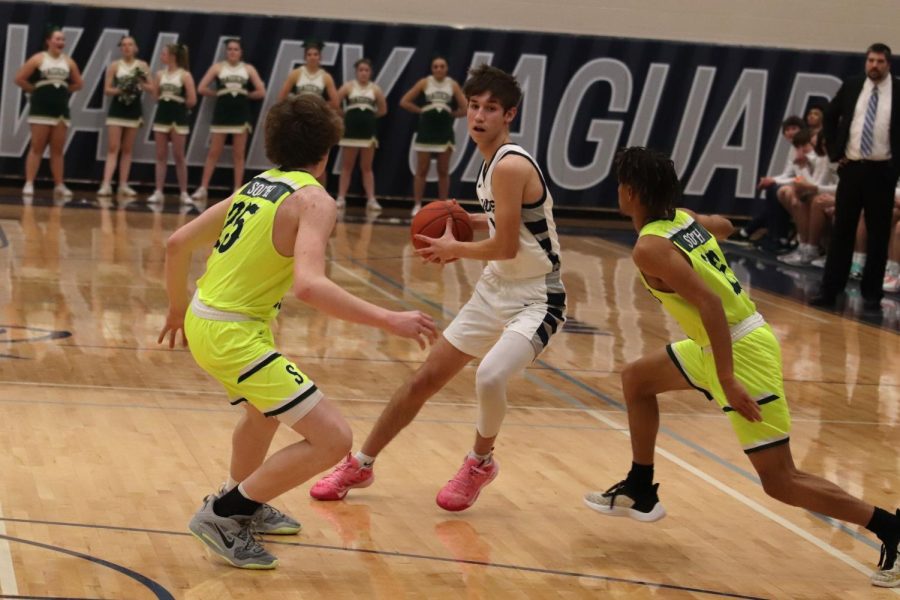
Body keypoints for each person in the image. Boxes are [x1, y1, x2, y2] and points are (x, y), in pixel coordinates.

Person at [582, 146, 899, 589]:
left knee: (780, 480)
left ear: (631, 192)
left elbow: (709, 303)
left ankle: (889, 526)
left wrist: (726, 379)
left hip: (739, 350)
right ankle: (641, 486)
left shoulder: (650, 247)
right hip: (713, 344)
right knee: (637, 378)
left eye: (620, 184)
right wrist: (703, 234)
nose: (618, 190)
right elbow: (724, 225)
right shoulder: (683, 220)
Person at [157, 94, 437, 569]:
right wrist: (390, 319)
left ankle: (241, 498)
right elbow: (309, 285)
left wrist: (177, 310)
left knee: (261, 415)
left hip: (208, 319)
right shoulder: (313, 200)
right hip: (232, 333)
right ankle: (225, 515)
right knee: (334, 439)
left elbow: (177, 242)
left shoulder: (259, 184)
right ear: (329, 151)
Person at [311, 64, 566, 512]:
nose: (479, 116)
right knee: (424, 379)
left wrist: (455, 249)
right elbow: (513, 224)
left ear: (510, 114)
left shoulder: (508, 165)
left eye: (490, 109)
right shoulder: (491, 166)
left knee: (490, 375)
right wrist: (468, 222)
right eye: (473, 107)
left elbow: (507, 246)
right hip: (495, 289)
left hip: (536, 296)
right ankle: (362, 463)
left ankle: (480, 462)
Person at [810, 43, 900, 311]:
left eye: (880, 62)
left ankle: (872, 295)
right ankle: (830, 290)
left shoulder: (897, 89)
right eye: (871, 60)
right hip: (851, 168)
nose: (874, 65)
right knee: (842, 231)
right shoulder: (852, 85)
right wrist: (836, 151)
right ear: (865, 62)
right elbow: (830, 115)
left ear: (888, 65)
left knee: (878, 234)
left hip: (882, 169)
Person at [191, 38, 266, 201]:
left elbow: (261, 91)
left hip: (241, 115)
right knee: (213, 153)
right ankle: (203, 188)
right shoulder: (218, 67)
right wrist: (217, 94)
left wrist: (246, 94)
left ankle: (238, 190)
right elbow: (201, 87)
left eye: (236, 49)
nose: (232, 52)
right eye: (230, 49)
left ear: (241, 52)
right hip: (222, 115)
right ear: (226, 52)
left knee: (238, 154)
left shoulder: (248, 69)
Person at [14, 26, 83, 198]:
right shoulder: (38, 58)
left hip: (60, 110)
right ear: (48, 41)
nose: (61, 42)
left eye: (63, 39)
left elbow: (79, 84)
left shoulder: (68, 61)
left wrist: (63, 89)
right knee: (37, 147)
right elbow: (19, 79)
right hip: (41, 109)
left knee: (57, 150)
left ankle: (59, 185)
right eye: (58, 39)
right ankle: (29, 183)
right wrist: (36, 90)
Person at [399, 55, 467, 216]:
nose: (438, 69)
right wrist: (421, 110)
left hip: (444, 132)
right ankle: (417, 204)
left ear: (446, 68)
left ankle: (443, 206)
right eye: (435, 66)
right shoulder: (425, 82)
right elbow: (405, 101)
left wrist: (453, 113)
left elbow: (465, 107)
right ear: (432, 68)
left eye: (442, 66)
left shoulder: (453, 85)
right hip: (426, 131)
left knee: (443, 170)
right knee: (422, 169)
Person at [730, 116, 805, 248]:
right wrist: (771, 180)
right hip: (799, 184)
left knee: (775, 191)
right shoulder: (793, 148)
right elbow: (789, 173)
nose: (791, 132)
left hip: (808, 187)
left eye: (794, 128)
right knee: (773, 190)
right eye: (787, 129)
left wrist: (773, 181)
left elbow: (803, 177)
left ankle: (768, 234)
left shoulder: (806, 147)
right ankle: (772, 236)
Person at [277, 39, 338, 188]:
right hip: (298, 123)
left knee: (318, 162)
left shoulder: (325, 77)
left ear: (320, 57)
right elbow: (281, 97)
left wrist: (317, 106)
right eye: (309, 54)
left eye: (315, 54)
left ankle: (321, 193)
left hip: (316, 123)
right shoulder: (296, 73)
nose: (312, 57)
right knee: (296, 160)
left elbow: (335, 102)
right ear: (305, 57)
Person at [98, 35, 151, 198]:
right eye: (124, 45)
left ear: (136, 48)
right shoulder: (115, 66)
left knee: (128, 149)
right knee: (113, 148)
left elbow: (151, 87)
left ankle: (123, 184)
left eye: (130, 44)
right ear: (121, 48)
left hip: (133, 110)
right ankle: (106, 184)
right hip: (117, 110)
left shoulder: (142, 65)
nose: (127, 47)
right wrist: (122, 89)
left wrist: (138, 83)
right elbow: (107, 89)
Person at [335, 58, 387, 211]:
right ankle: (341, 197)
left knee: (367, 167)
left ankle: (371, 199)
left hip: (368, 134)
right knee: (347, 166)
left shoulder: (375, 89)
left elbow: (383, 110)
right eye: (361, 70)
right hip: (351, 133)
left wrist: (369, 118)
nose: (364, 73)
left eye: (366, 70)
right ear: (356, 72)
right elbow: (334, 104)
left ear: (370, 72)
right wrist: (347, 115)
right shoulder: (348, 87)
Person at [149, 43, 196, 205]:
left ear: (172, 57)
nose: (161, 56)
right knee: (160, 155)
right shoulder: (159, 75)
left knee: (179, 156)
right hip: (162, 116)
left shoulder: (185, 75)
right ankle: (158, 191)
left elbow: (192, 99)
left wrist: (178, 104)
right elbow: (155, 96)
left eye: (164, 53)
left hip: (178, 118)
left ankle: (184, 192)